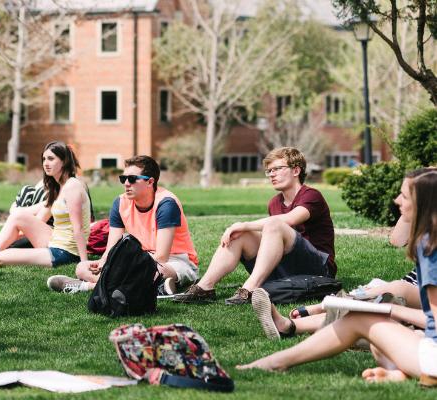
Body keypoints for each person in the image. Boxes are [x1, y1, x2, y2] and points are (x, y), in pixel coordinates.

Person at [237, 170, 437, 384]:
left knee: (361, 318)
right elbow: (397, 239)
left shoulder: (429, 247)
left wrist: (391, 310)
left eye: (404, 196)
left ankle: (276, 362)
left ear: (423, 204)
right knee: (377, 342)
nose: (396, 200)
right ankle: (399, 372)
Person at [174, 147, 336, 305]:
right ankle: (204, 287)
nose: (272, 174)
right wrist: (242, 229)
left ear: (296, 171)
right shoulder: (274, 202)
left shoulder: (311, 195)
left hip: (318, 270)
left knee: (272, 224)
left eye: (277, 169)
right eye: (269, 171)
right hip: (287, 268)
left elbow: (291, 219)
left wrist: (244, 224)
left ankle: (250, 288)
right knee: (240, 235)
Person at [47, 155, 199, 295]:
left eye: (132, 179)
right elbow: (111, 248)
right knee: (82, 268)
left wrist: (121, 266)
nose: (126, 183)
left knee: (152, 269)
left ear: (150, 182)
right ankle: (158, 287)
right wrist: (103, 262)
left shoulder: (166, 204)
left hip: (175, 262)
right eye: (123, 178)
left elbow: (161, 256)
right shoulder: (120, 203)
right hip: (142, 259)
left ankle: (87, 286)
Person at [0, 141, 90, 268]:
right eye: (44, 159)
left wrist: (84, 262)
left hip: (65, 251)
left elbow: (78, 228)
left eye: (51, 159)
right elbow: (32, 217)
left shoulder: (72, 187)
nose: (45, 163)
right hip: (54, 239)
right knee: (18, 216)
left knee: (0, 257)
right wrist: (8, 235)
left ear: (64, 161)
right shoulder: (58, 188)